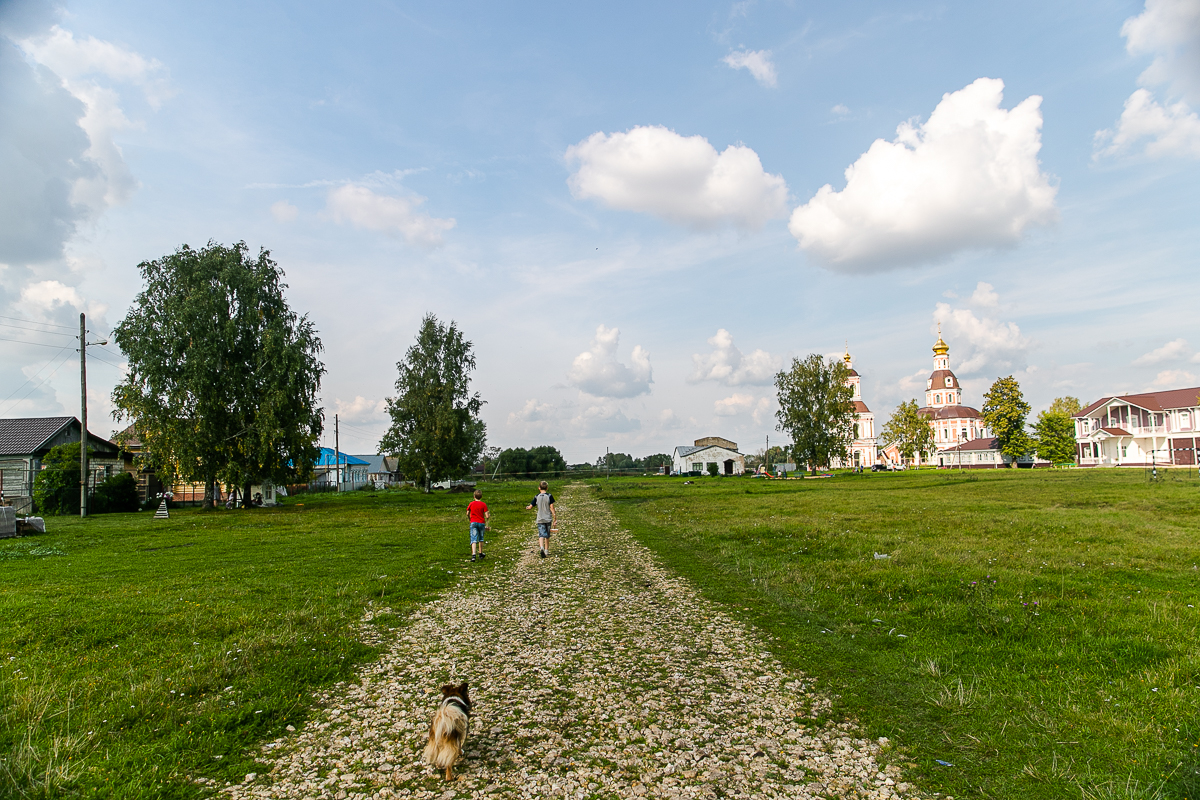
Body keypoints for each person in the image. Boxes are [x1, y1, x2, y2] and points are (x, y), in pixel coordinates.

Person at [525, 480, 556, 558]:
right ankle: (546, 550)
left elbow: (531, 506)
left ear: (539, 488)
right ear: (547, 488)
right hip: (548, 518)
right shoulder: (549, 496)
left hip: (540, 518)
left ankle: (541, 547)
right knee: (547, 535)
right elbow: (552, 507)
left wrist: (528, 508)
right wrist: (555, 517)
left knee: (541, 534)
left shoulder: (536, 496)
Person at [467, 489, 489, 562]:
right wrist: (488, 518)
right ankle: (480, 553)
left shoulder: (471, 504)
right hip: (481, 523)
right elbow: (487, 516)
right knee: (481, 538)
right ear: (481, 496)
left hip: (473, 522)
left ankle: (473, 555)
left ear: (474, 496)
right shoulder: (483, 504)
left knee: (473, 538)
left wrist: (470, 518)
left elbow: (467, 513)